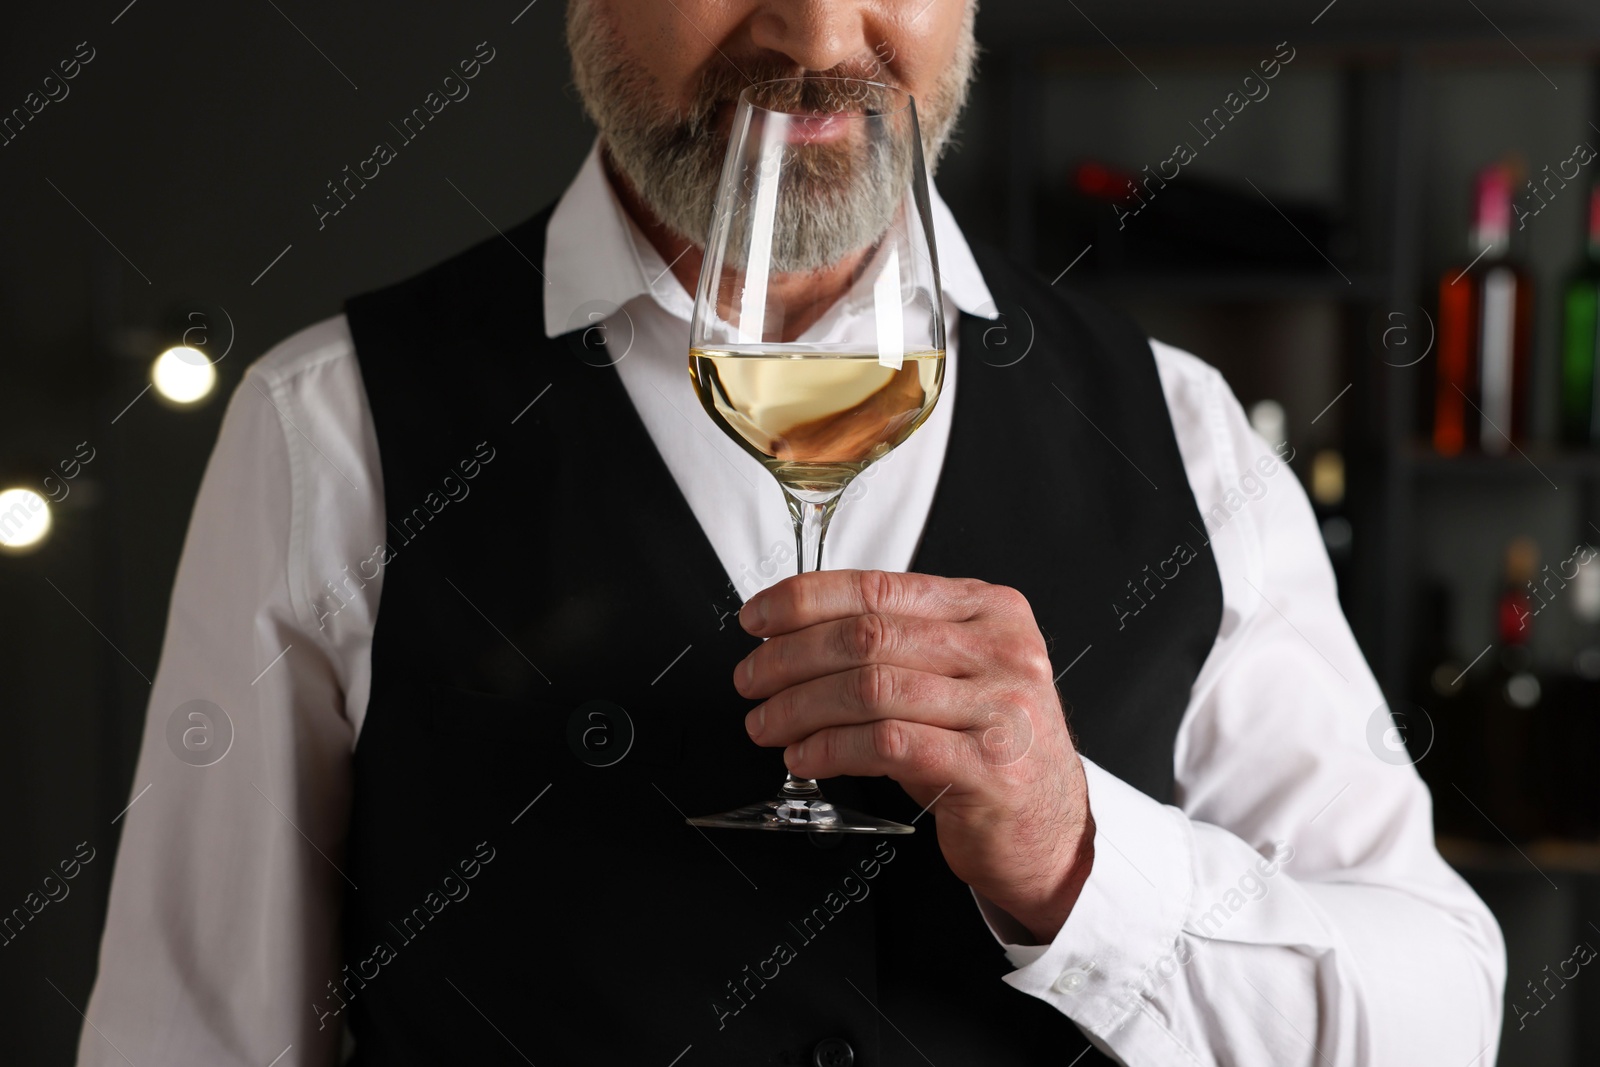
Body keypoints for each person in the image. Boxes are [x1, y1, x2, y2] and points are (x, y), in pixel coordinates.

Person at [77, 1, 1506, 1064]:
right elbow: (188, 1037)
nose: (820, 32)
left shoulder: (1184, 430)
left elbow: (1440, 1017)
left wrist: (1085, 864)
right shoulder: (328, 423)